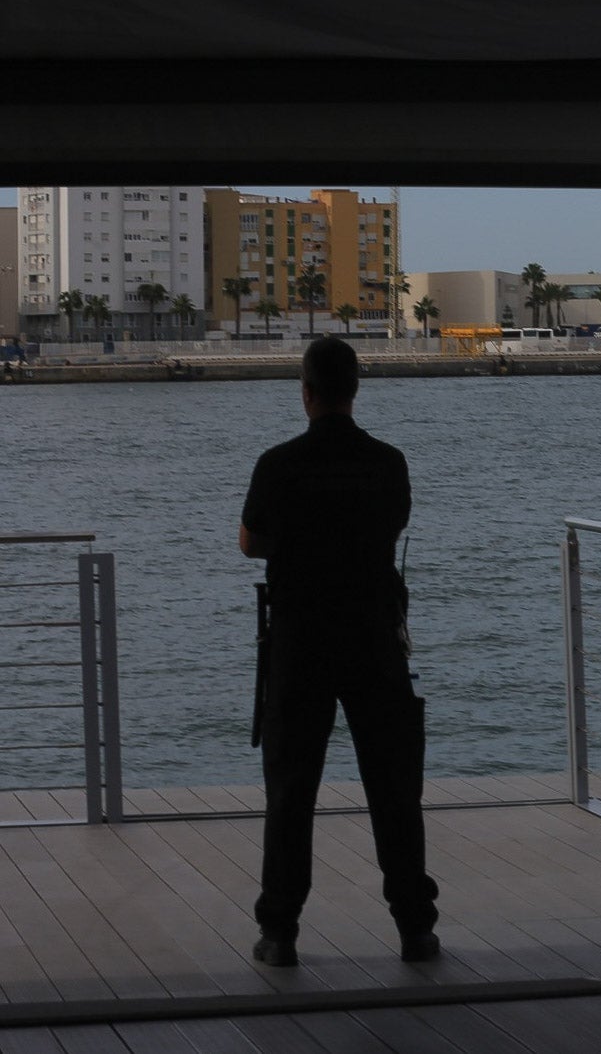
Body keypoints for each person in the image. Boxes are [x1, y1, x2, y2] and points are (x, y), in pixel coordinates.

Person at [239, 337, 438, 968]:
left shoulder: (277, 464)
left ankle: (280, 933)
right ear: (355, 389)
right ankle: (415, 929)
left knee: (291, 792)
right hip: (374, 639)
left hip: (299, 642)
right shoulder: (388, 462)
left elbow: (250, 543)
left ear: (305, 391)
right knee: (394, 789)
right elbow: (393, 526)